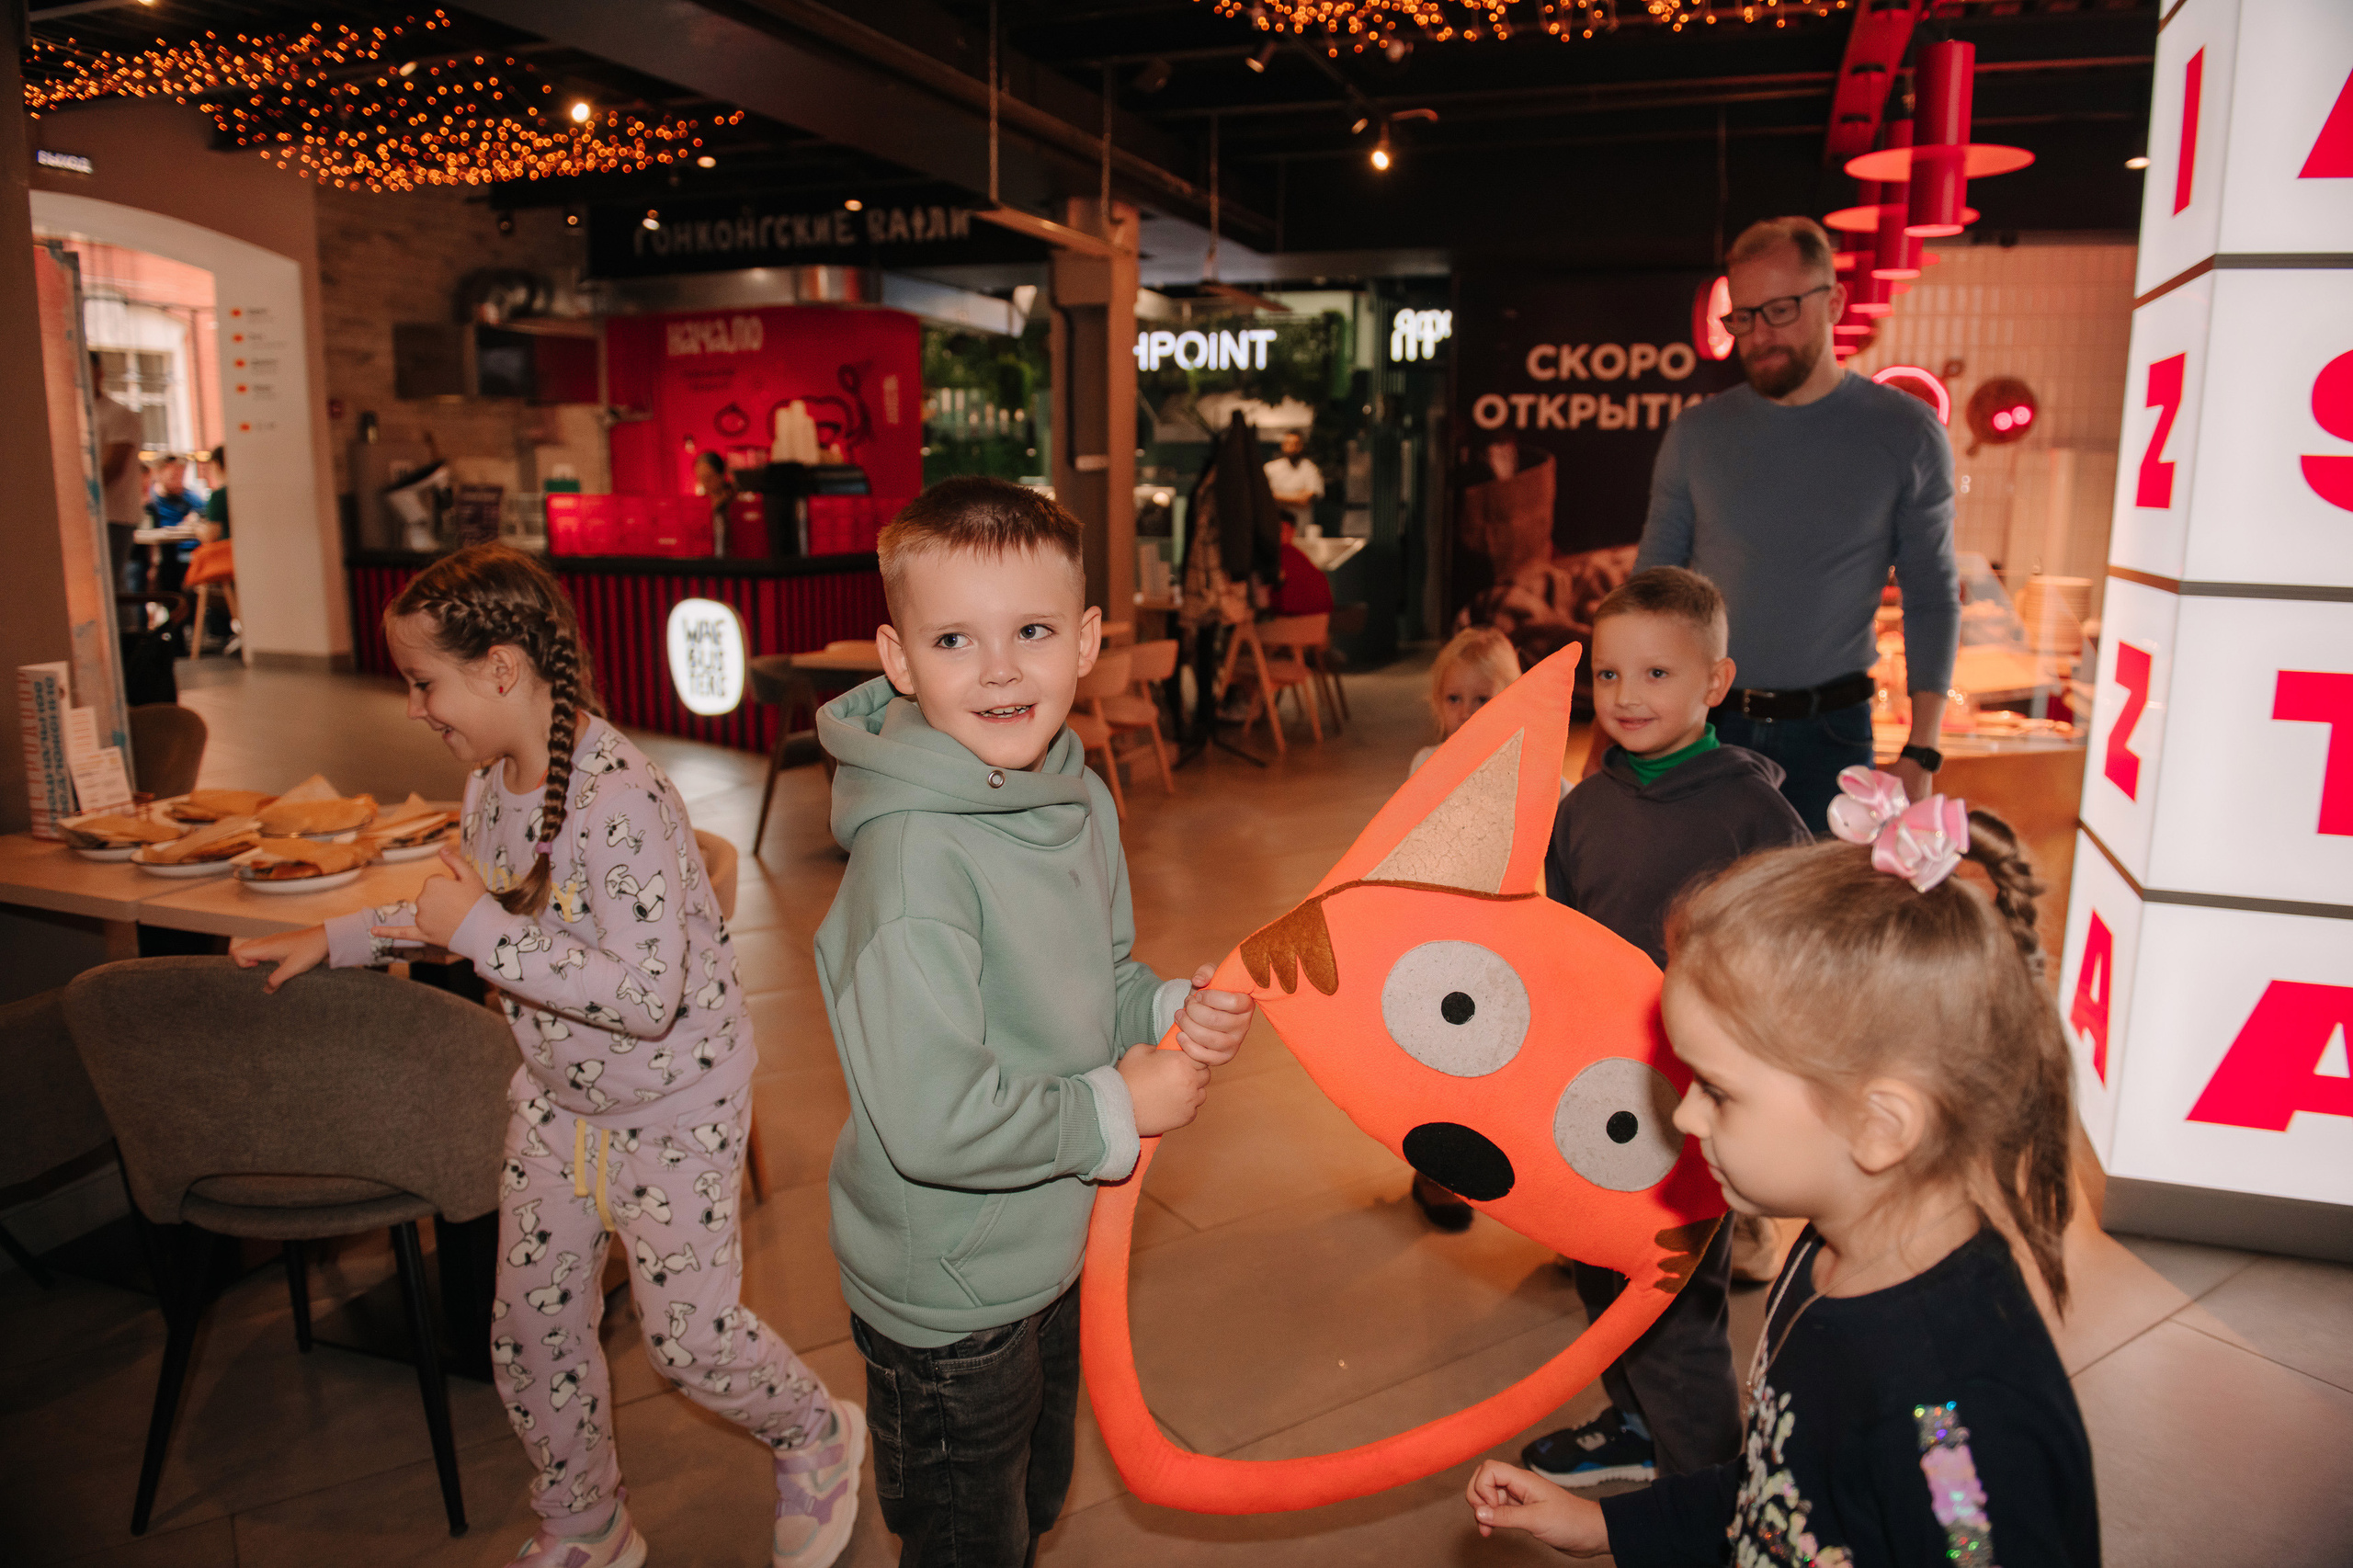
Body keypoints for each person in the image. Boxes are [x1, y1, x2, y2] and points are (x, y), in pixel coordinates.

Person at [227, 544, 860, 1568]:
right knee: (531, 1332)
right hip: (560, 1105)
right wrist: (341, 935)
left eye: (422, 680)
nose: (410, 706)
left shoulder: (620, 800)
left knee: (690, 1343)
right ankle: (585, 1518)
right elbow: (463, 908)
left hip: (675, 1106)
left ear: (502, 668)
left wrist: (475, 927)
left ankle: (815, 1432)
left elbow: (643, 997)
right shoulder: (490, 783)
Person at [1466, 779, 2097, 1564]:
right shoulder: (1830, 1250)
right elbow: (1780, 1488)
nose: (1686, 1117)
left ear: (1879, 1126)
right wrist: (1611, 1526)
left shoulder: (1955, 1429)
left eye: (1719, 1092)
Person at [815, 476, 1256, 1568]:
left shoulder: (1075, 793)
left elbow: (1094, 977)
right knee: (970, 1537)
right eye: (955, 637)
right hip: (950, 1298)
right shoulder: (913, 863)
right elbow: (932, 1120)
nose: (1001, 666)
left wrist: (1164, 1012)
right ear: (900, 658)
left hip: (1052, 1239)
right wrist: (1120, 1101)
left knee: (1034, 1494)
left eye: (1032, 631)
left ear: (1087, 641)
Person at [1518, 567, 1811, 1490]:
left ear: (1713, 683)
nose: (1625, 697)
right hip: (1591, 1090)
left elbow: (1801, 955)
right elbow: (1556, 939)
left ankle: (1708, 1484)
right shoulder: (1585, 807)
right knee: (1600, 1273)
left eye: (1654, 675)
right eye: (1607, 676)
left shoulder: (1753, 812)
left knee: (1675, 1299)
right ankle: (1638, 1424)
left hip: (1692, 1102)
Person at [1637, 216, 1959, 827]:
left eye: (1780, 310)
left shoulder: (1907, 433)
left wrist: (1923, 748)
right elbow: (1650, 589)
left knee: (1817, 921)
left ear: (1834, 301)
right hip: (1707, 726)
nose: (1759, 335)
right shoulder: (1698, 434)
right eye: (1744, 316)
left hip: (1834, 738)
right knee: (1702, 914)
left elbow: (1932, 597)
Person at [1404, 625, 1529, 1232]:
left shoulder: (1538, 774)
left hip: (1512, 949)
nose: (1468, 712)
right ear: (1437, 704)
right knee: (1441, 1065)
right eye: (1455, 699)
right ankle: (1436, 1172)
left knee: (1505, 1068)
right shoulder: (1427, 766)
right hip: (1443, 948)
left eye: (1485, 699)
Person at [90, 353, 145, 593]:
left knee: (110, 586)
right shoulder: (77, 413)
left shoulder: (117, 414)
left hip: (114, 515)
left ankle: (125, 631)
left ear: (99, 373)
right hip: (94, 516)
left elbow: (113, 467)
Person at [146, 456, 203, 596]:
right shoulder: (151, 501)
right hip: (162, 556)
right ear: (158, 474)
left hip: (191, 553)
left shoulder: (192, 499)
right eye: (174, 476)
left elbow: (207, 516)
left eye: (181, 476)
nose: (179, 481)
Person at [1263, 427, 1324, 532]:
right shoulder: (1270, 468)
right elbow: (1263, 496)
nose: (1291, 447)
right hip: (1274, 529)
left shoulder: (1310, 469)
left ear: (1301, 446)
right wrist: (1298, 496)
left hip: (1300, 530)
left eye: (1295, 444)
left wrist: (1276, 497)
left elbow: (1306, 499)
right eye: (1288, 443)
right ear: (1282, 445)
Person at [1273, 515, 1335, 617]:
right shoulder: (1297, 556)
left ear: (1293, 532)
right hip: (1319, 621)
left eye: (1282, 530)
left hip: (1288, 622)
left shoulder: (1282, 555)